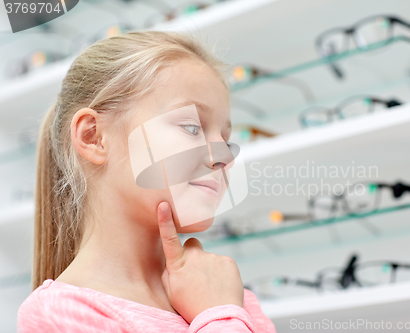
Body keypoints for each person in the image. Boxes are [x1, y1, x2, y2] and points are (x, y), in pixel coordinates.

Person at [17, 30, 276, 332]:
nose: (224, 156)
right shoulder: (59, 314)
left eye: (226, 139)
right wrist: (218, 317)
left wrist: (223, 311)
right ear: (94, 137)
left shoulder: (236, 301)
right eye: (192, 128)